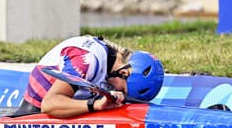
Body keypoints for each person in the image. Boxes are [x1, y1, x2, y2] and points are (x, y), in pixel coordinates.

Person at [12, 35, 164, 118]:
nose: (120, 94)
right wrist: (94, 105)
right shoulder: (87, 60)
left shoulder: (112, 65)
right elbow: (49, 104)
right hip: (34, 113)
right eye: (122, 91)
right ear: (123, 73)